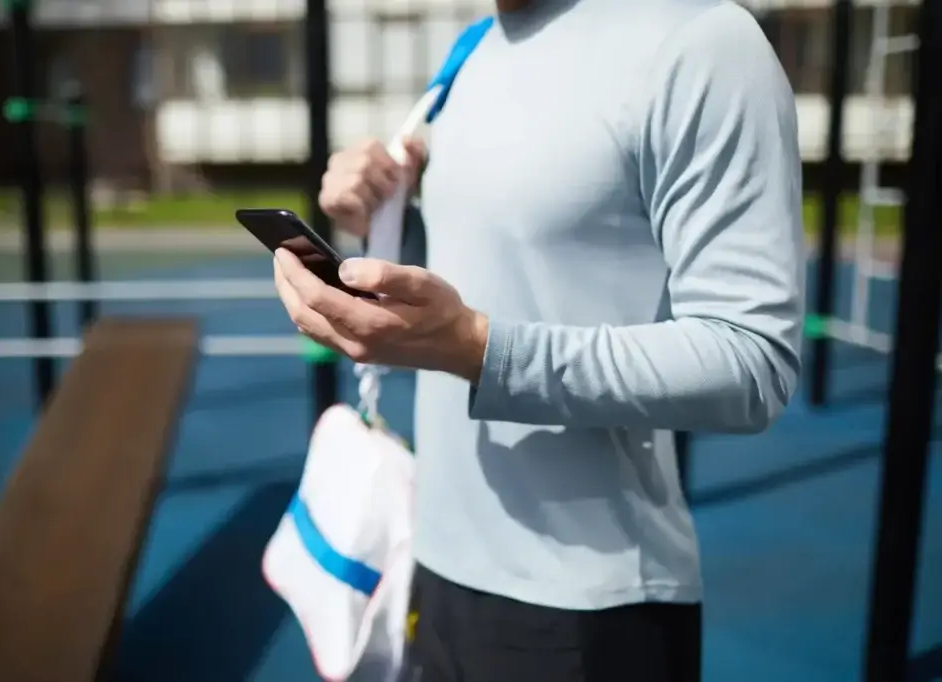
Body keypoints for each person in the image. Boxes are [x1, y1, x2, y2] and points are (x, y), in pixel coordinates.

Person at [272, 0, 805, 679]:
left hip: (587, 606)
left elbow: (751, 362)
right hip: (431, 567)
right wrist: (383, 228)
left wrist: (477, 348)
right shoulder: (472, 48)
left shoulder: (701, 41)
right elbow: (491, 280)